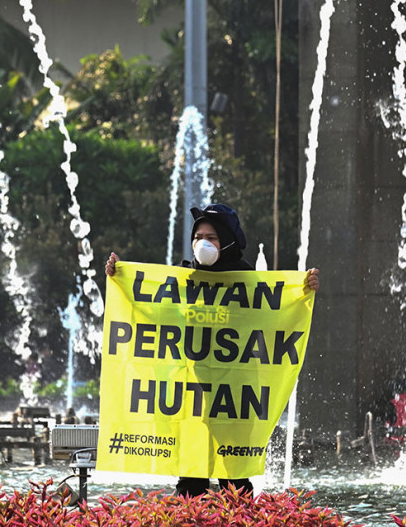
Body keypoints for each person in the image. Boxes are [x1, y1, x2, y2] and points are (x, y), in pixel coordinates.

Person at [105, 203, 319, 497]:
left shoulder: (251, 281)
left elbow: (276, 319)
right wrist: (121, 277)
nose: (202, 243)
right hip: (191, 393)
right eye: (197, 236)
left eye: (211, 237)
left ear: (229, 239)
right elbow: (154, 314)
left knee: (234, 478)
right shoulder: (182, 279)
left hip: (235, 396)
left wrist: (302, 291)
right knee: (191, 476)